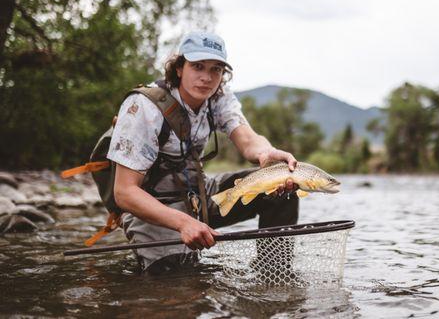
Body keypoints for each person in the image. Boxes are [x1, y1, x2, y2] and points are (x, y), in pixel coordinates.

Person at [107, 31, 299, 274]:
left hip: (198, 195)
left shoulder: (218, 98)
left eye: (216, 69)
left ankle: (273, 277)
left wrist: (267, 153)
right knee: (179, 280)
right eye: (198, 66)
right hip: (154, 205)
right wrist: (184, 223)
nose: (207, 78)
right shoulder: (143, 107)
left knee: (279, 188)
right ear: (179, 68)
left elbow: (248, 139)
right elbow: (124, 193)